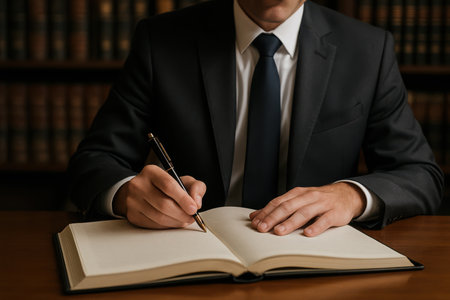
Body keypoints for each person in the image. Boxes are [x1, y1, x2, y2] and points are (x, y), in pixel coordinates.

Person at [68, 0, 443, 237]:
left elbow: (420, 175)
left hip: (314, 258)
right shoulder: (162, 40)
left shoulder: (367, 49)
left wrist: (350, 196)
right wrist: (125, 194)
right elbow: (94, 162)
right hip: (192, 249)